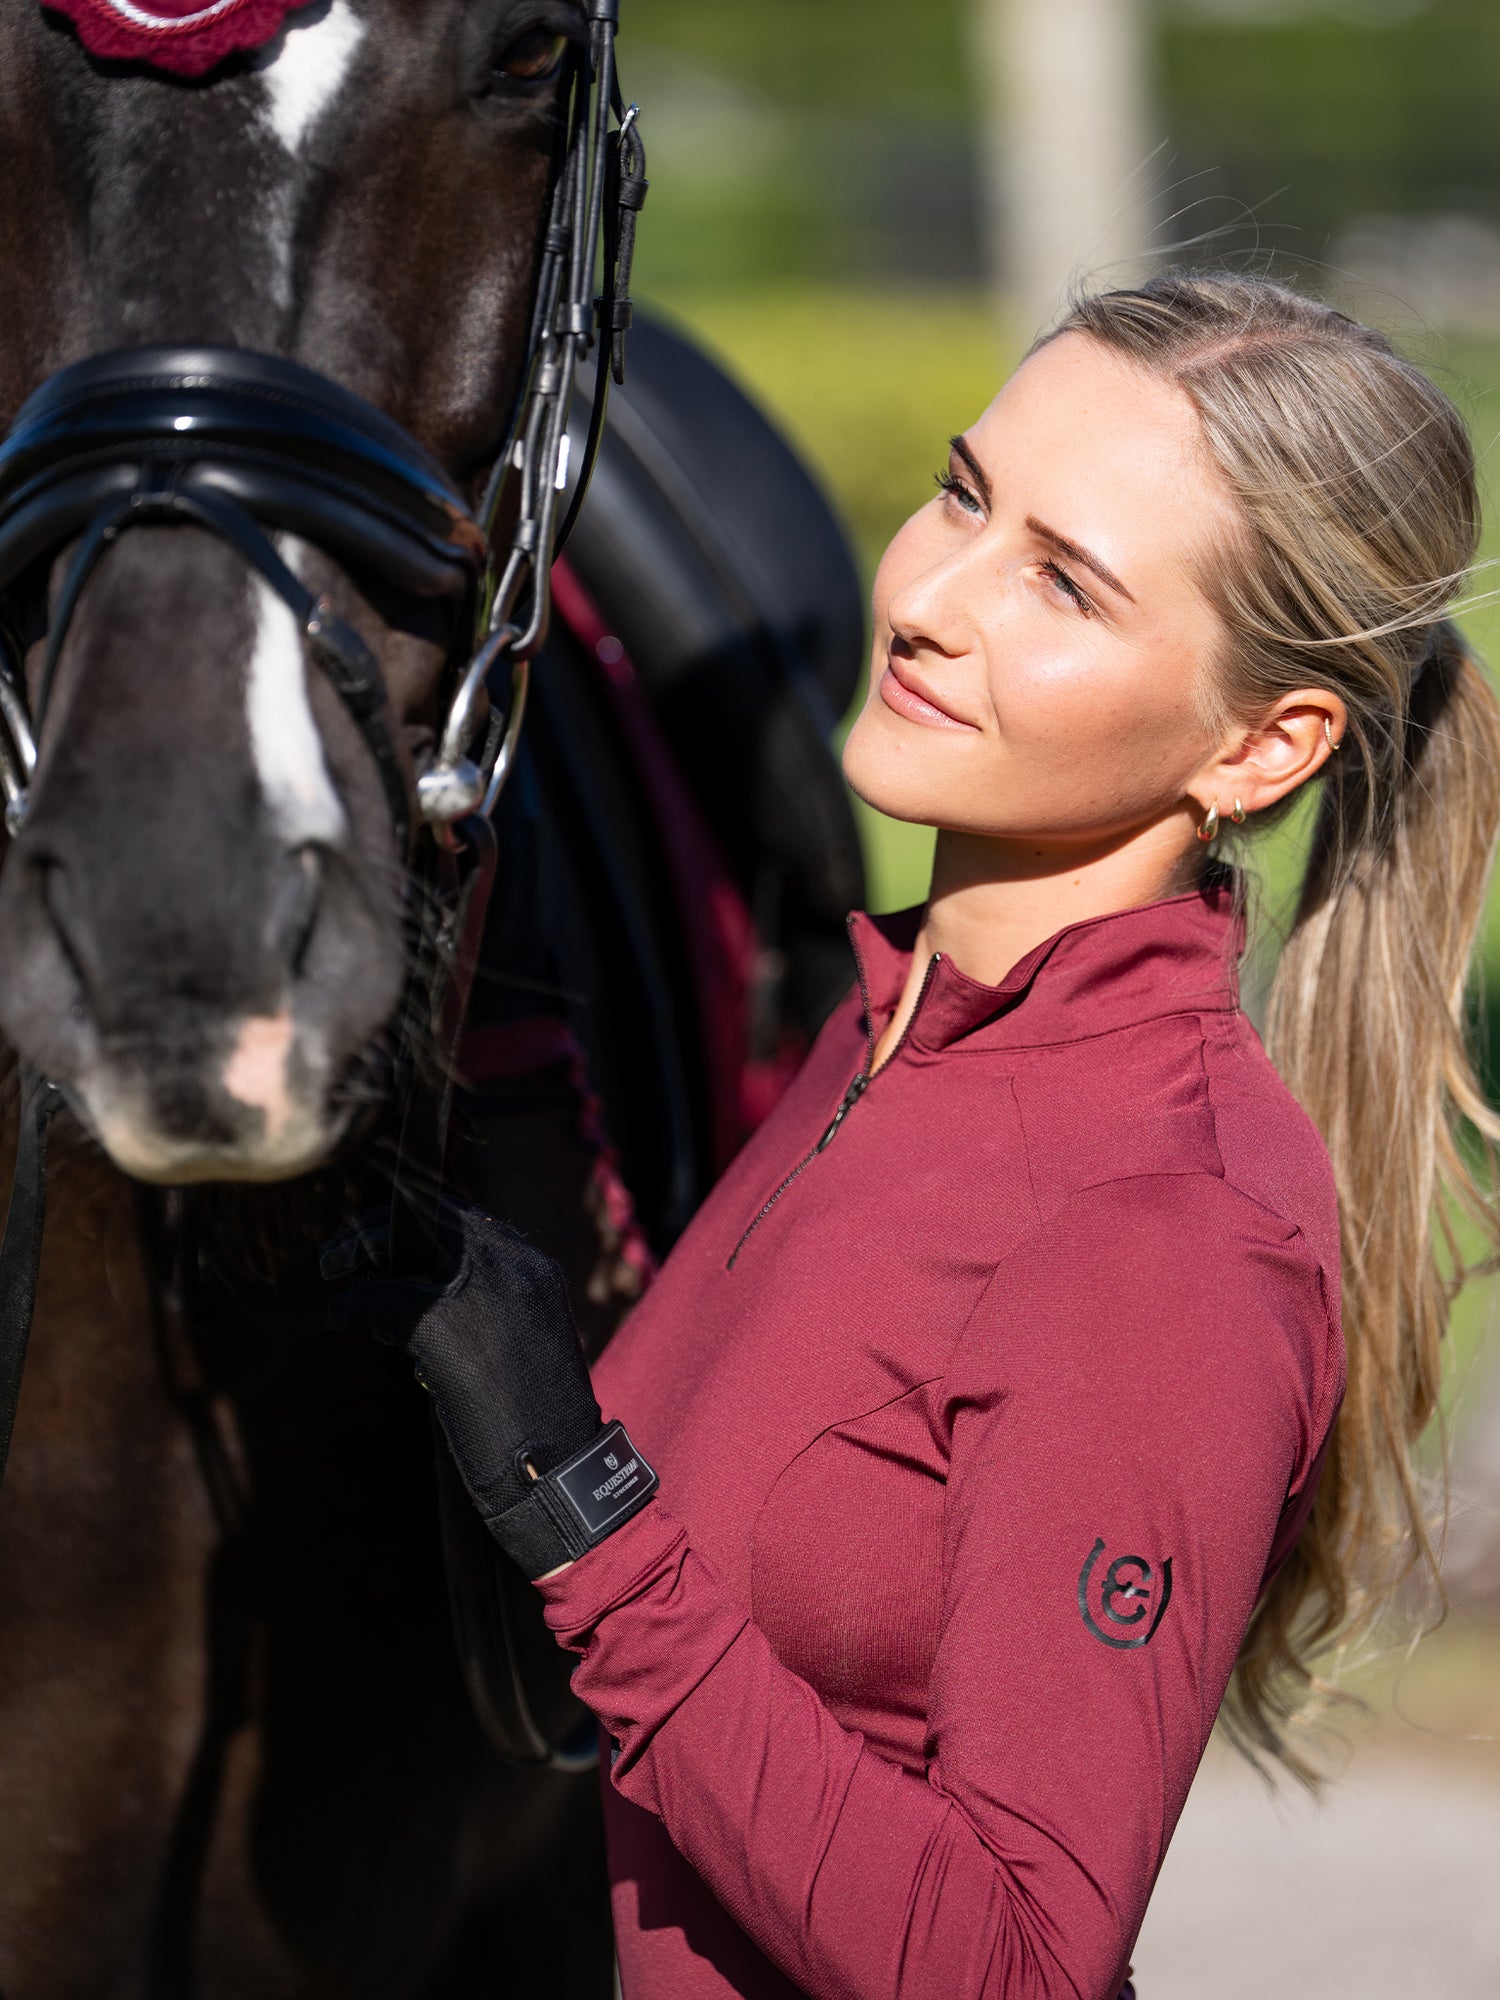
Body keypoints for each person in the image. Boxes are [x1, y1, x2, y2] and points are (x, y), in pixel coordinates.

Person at [341, 273, 1500, 1999]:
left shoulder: (1166, 1224)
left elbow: (1016, 1965)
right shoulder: (878, 1041)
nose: (934, 598)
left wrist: (577, 1506)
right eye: (965, 495)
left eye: (1064, 582)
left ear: (1266, 745)